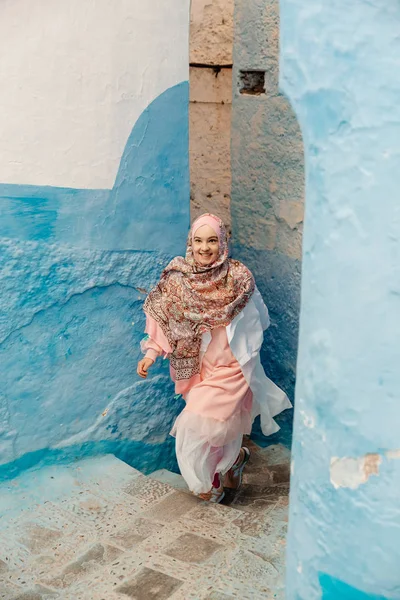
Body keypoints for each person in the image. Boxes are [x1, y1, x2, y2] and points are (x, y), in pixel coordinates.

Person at [137, 213, 292, 503]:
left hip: (232, 369)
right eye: (198, 240)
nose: (204, 248)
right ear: (190, 242)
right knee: (218, 429)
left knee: (195, 426)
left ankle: (205, 485)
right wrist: (151, 353)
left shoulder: (239, 277)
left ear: (222, 243)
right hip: (198, 369)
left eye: (211, 240)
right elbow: (163, 319)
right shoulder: (178, 278)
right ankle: (232, 465)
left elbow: (261, 319)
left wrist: (246, 353)